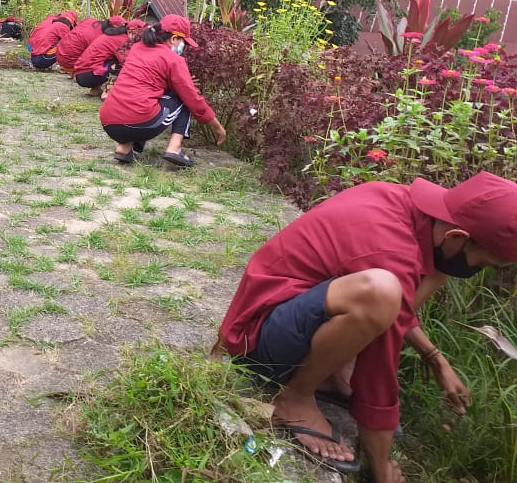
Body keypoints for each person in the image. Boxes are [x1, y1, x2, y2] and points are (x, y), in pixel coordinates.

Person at [216, 172, 517, 483]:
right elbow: (379, 365)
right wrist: (382, 465)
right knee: (380, 291)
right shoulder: (391, 250)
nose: (478, 269)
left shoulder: (405, 207)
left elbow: (397, 314)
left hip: (289, 313)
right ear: (456, 236)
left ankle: (334, 375)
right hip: (258, 340)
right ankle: (294, 398)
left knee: (428, 274)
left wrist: (434, 358)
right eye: (483, 263)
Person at [98, 14, 226, 164]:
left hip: (108, 122)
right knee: (183, 98)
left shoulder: (137, 48)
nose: (183, 47)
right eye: (183, 42)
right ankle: (175, 147)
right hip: (138, 122)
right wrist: (218, 127)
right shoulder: (174, 60)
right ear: (173, 39)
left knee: (144, 98)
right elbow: (193, 99)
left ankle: (124, 147)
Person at [73, 17, 142, 96]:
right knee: (122, 65)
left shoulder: (112, 34)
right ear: (131, 31)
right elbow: (128, 62)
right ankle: (108, 93)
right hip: (87, 76)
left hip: (81, 73)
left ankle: (96, 89)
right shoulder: (122, 39)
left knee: (112, 60)